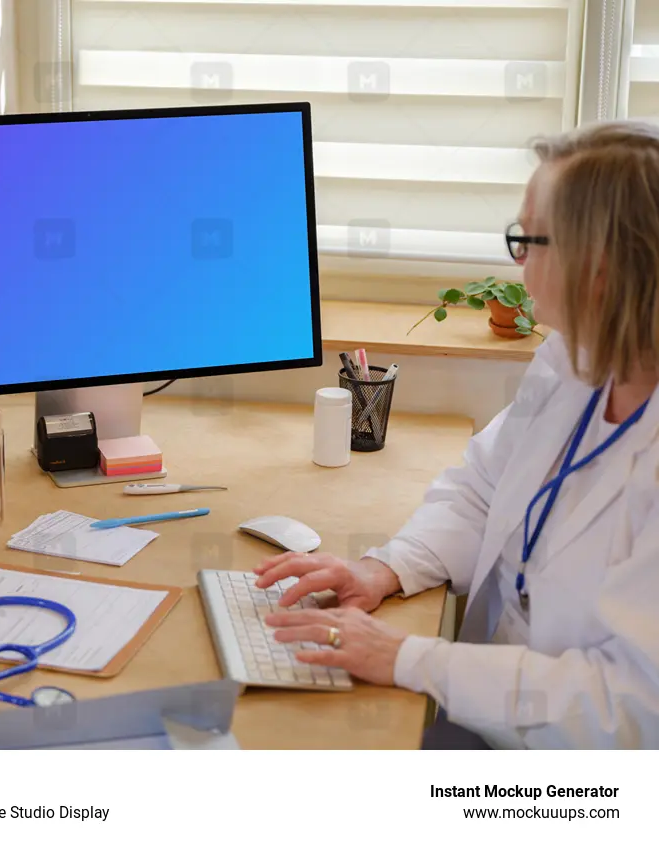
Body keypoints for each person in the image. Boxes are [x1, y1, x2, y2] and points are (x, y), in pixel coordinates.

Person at [256, 120, 659, 749]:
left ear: (598, 266)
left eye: (527, 240)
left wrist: (405, 658)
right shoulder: (574, 364)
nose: (517, 262)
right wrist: (384, 568)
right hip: (486, 707)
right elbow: (480, 491)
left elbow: (629, 706)